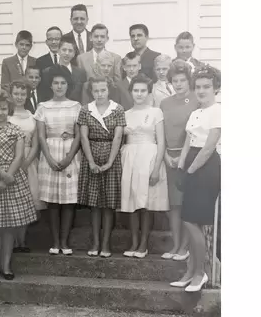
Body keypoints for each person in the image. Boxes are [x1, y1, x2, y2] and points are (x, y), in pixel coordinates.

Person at [170, 65, 221, 292]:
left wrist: (190, 170)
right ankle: (190, 272)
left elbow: (209, 147)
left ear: (215, 88)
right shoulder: (195, 113)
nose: (201, 91)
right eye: (198, 87)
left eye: (206, 87)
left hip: (206, 167)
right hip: (191, 163)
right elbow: (188, 142)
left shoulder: (218, 111)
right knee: (188, 220)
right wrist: (181, 167)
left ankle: (201, 273)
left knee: (193, 220)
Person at [0, 90, 37, 280]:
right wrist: (1, 175)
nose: (0, 112)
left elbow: (19, 155)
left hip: (12, 180)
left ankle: (6, 266)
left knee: (9, 226)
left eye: (3, 108)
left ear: (9, 109)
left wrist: (8, 176)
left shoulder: (16, 130)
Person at [119, 74, 169, 258]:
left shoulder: (156, 112)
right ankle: (133, 241)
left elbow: (161, 142)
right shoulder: (125, 114)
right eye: (136, 90)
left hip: (149, 155)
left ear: (149, 93)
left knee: (145, 202)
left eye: (143, 91)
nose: (139, 94)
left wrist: (156, 168)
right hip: (130, 156)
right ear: (131, 92)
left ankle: (143, 243)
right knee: (131, 200)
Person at [34, 65, 81, 255]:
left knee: (68, 200)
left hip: (70, 153)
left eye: (63, 83)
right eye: (56, 83)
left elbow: (79, 134)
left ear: (67, 85)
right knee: (53, 201)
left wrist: (69, 156)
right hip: (50, 154)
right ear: (51, 85)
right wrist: (49, 158)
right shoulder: (43, 107)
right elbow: (40, 136)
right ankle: (55, 242)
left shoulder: (76, 106)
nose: (59, 86)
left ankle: (65, 241)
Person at [77, 76, 126, 258]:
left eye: (103, 90)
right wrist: (90, 162)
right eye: (96, 90)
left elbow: (118, 137)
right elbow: (83, 137)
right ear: (91, 91)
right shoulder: (85, 110)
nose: (99, 94)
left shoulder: (118, 109)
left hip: (111, 157)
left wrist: (109, 163)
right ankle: (95, 242)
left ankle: (106, 243)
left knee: (108, 205)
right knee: (94, 205)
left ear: (108, 90)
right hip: (91, 155)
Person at [160, 59, 199, 261]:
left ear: (188, 81)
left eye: (182, 80)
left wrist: (183, 159)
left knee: (186, 205)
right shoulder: (165, 103)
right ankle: (176, 245)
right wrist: (166, 155)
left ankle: (185, 247)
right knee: (174, 206)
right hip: (169, 158)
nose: (179, 84)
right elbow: (161, 133)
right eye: (175, 80)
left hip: (190, 158)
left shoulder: (196, 100)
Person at [9, 80, 45, 253]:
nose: (19, 97)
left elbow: (37, 143)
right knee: (12, 201)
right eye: (16, 93)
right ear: (11, 94)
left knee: (26, 201)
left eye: (23, 94)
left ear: (28, 95)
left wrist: (27, 162)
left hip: (29, 162)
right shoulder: (7, 116)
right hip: (9, 163)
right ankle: (13, 241)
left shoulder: (33, 116)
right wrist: (15, 164)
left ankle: (22, 242)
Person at [44, 37, 87, 102]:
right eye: (64, 50)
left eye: (70, 51)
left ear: (74, 54)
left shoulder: (81, 73)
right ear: (58, 51)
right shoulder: (47, 71)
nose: (67, 53)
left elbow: (83, 95)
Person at [36, 26, 63, 100]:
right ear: (46, 42)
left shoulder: (68, 59)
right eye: (50, 39)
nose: (54, 42)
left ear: (62, 41)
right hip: (47, 103)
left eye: (57, 39)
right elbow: (39, 87)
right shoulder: (39, 62)